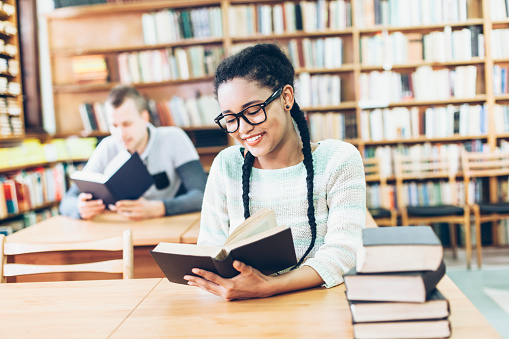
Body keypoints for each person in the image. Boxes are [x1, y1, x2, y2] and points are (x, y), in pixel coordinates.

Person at [185, 44, 366, 300]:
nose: (243, 128)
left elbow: (344, 252)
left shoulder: (338, 160)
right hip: (243, 306)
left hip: (320, 305)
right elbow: (211, 247)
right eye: (230, 118)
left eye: (253, 111)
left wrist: (269, 286)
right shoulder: (227, 165)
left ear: (286, 98)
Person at [59, 85, 207, 221]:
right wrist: (80, 209)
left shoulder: (174, 138)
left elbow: (201, 195)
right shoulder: (107, 146)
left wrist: (158, 208)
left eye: (127, 124)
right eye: (114, 125)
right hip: (119, 228)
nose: (121, 134)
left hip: (166, 225)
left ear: (144, 118)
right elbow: (66, 202)